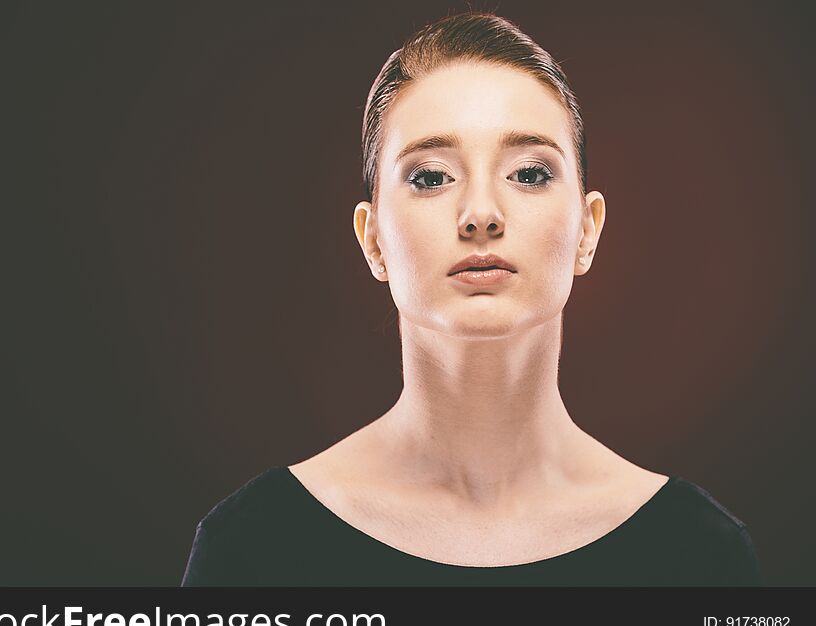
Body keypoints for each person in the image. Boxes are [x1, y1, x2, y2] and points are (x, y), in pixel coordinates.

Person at [181, 11, 762, 586]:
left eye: (530, 173)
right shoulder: (253, 548)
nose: (481, 214)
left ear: (587, 229)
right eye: (431, 177)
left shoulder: (699, 555)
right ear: (373, 238)